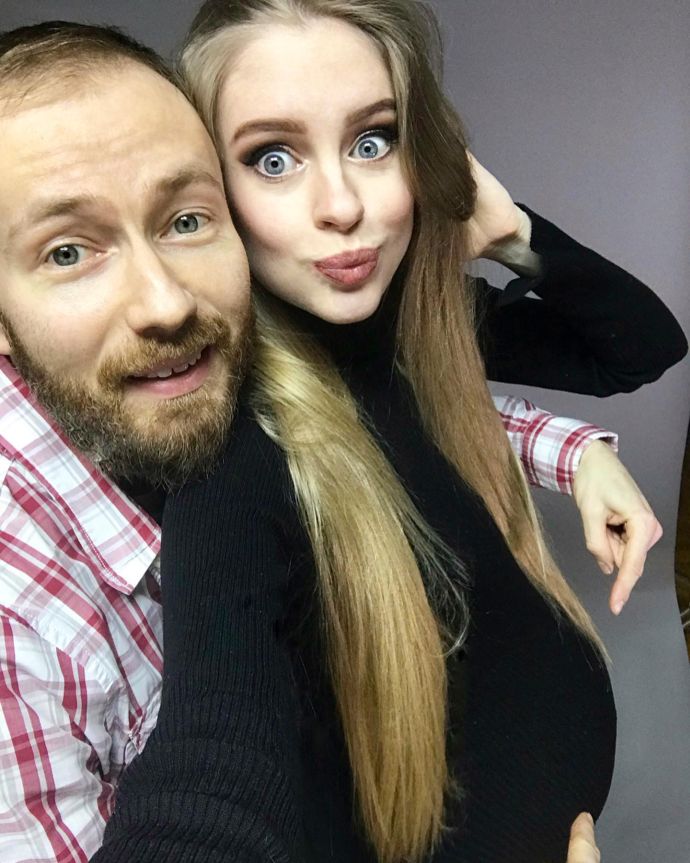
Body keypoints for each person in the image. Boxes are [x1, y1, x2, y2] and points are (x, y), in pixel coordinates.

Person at [0, 16, 679, 863]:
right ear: (224, 193)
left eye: (372, 142)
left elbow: (638, 347)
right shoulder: (226, 453)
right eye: (271, 159)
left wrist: (509, 232)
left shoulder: (409, 323)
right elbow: (213, 759)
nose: (343, 206)